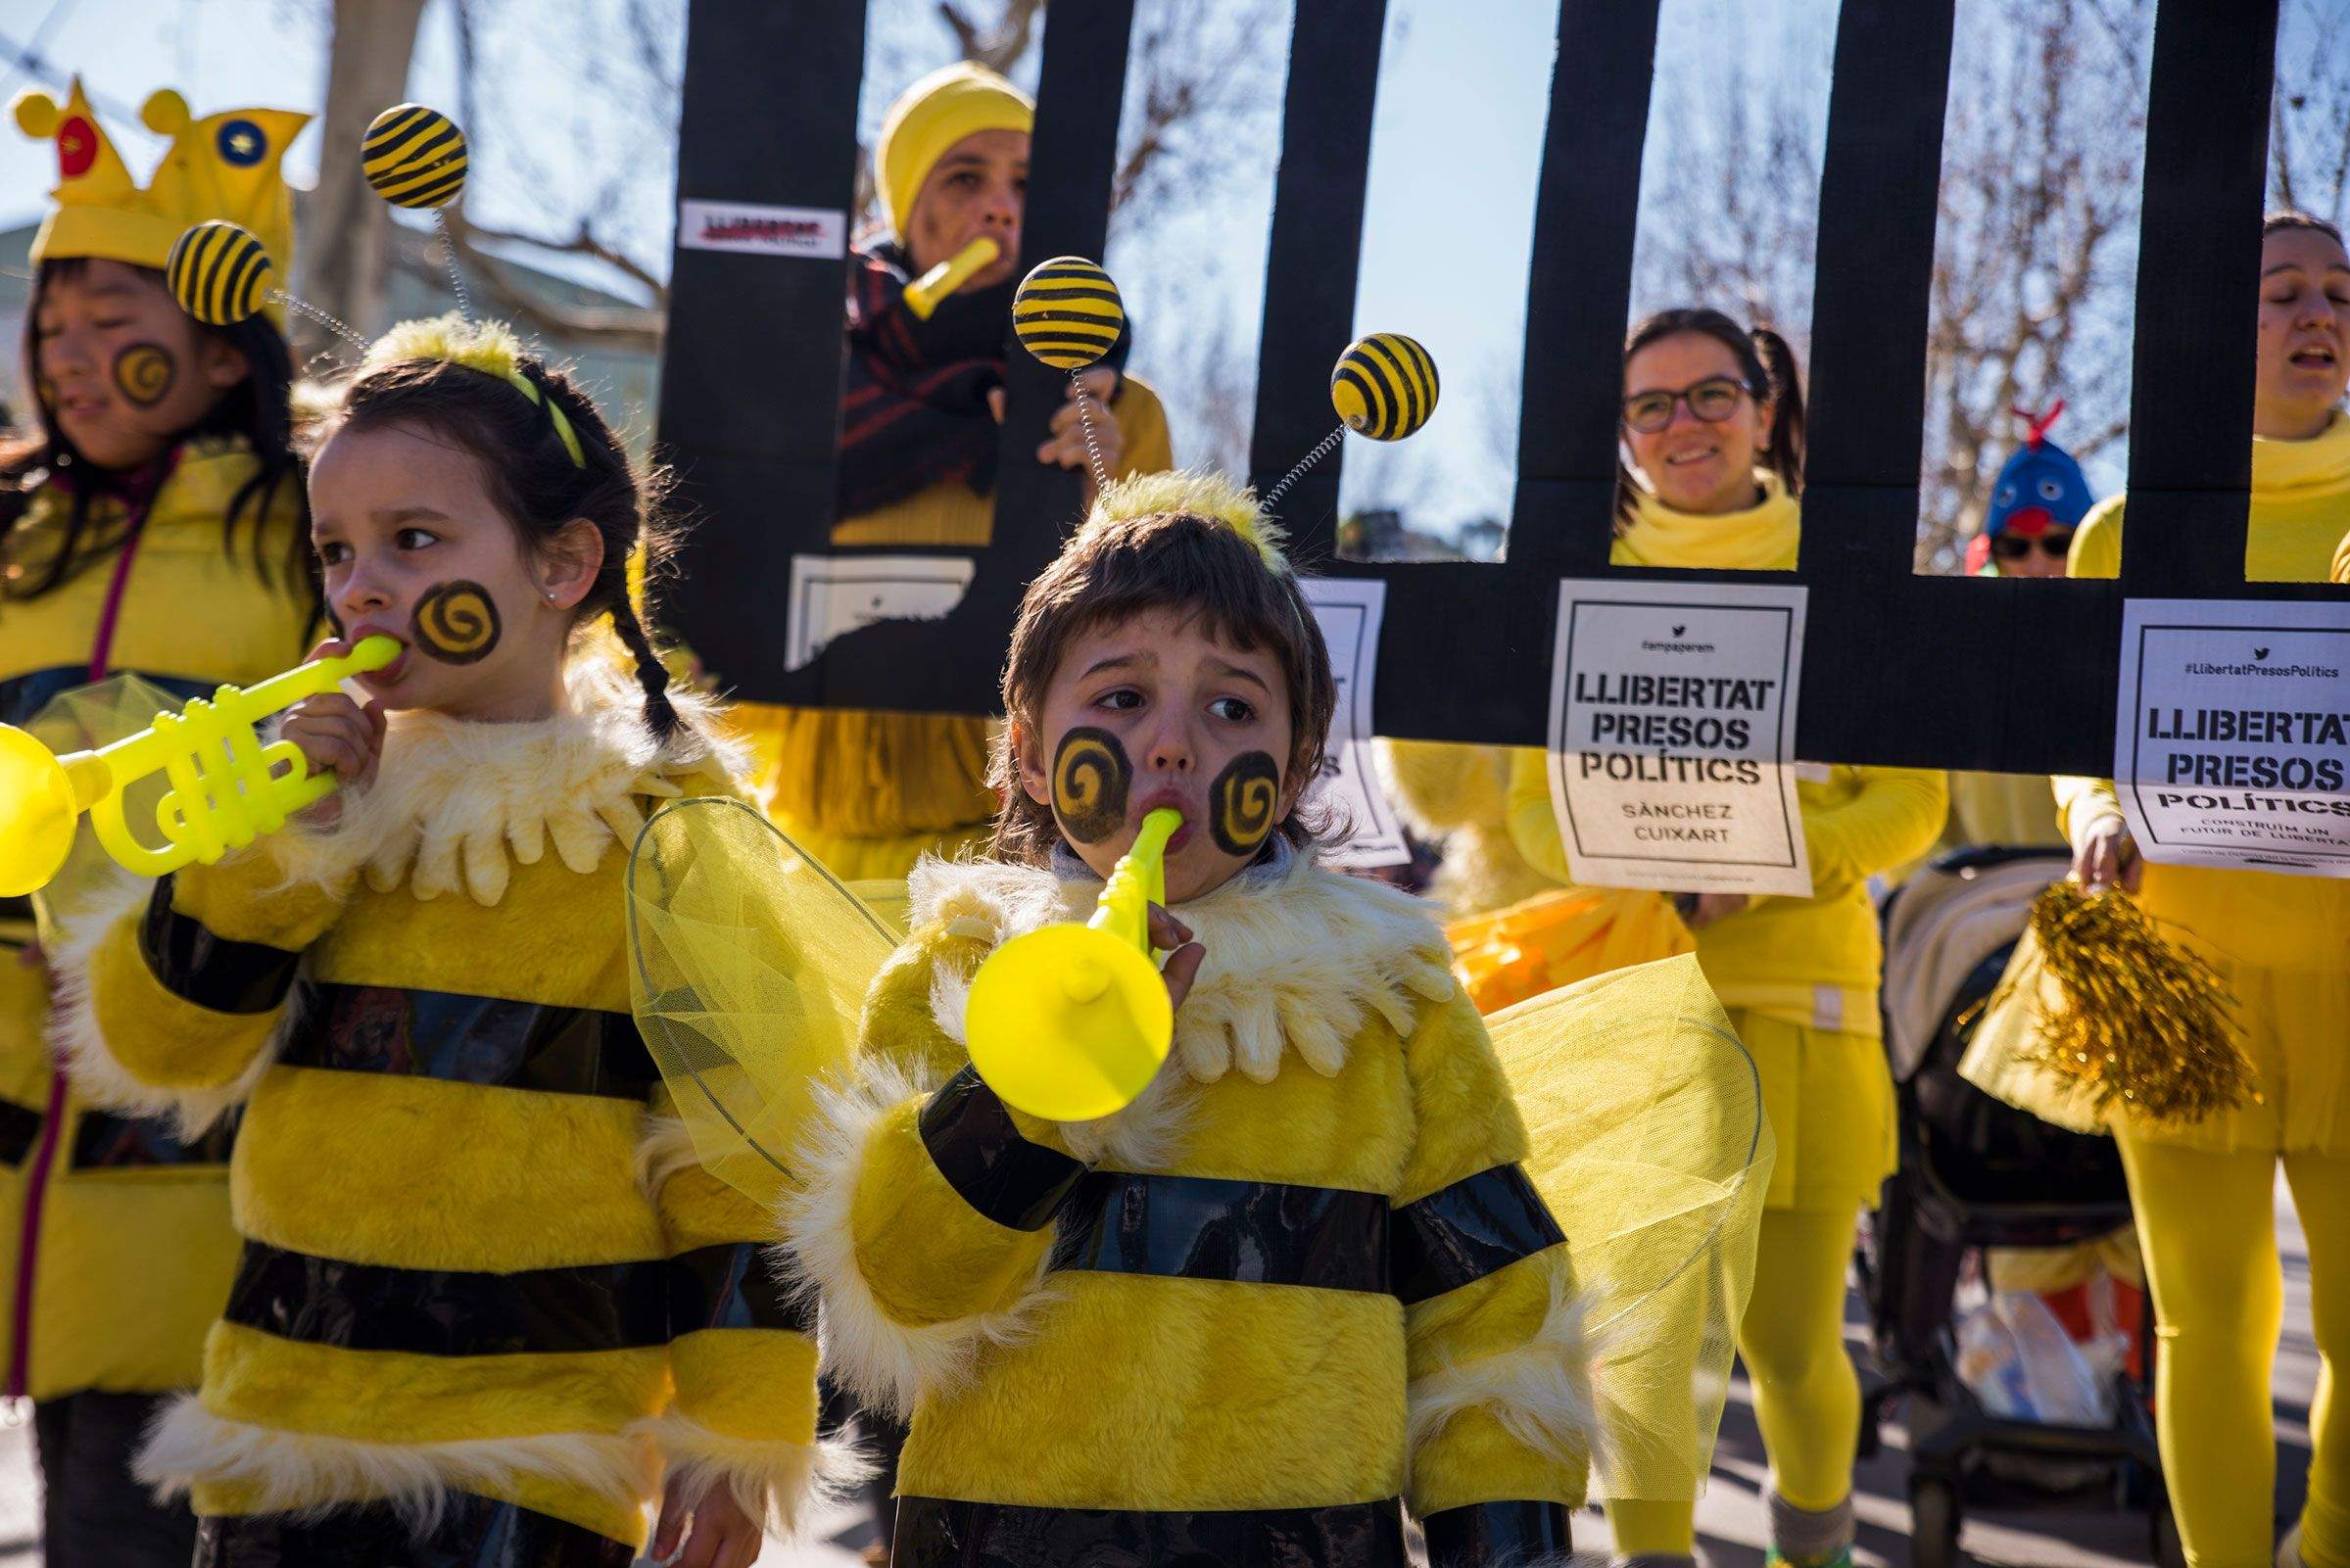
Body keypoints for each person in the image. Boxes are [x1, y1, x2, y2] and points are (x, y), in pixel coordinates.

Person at [50, 315, 831, 1567]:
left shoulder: (668, 830)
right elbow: (159, 1053)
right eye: (337, 549)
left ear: (565, 561)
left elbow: (736, 1164)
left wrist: (737, 1431)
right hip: (275, 1433)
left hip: (532, 1464)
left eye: (414, 541)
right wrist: (275, 847)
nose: (360, 585)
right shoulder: (299, 795)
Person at [779, 469, 1593, 1567]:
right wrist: (1033, 1093)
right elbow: (892, 1293)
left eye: (1230, 707)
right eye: (1119, 697)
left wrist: (1507, 1542)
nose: (1172, 744)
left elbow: (1492, 1315)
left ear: (1297, 758)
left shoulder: (1387, 998)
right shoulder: (957, 967)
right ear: (1027, 748)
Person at [1506, 309, 1945, 1568]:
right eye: (1650, 406)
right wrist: (1650, 857)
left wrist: (1763, 861)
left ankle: (1813, 1550)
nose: (1681, 424)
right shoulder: (1587, 577)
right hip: (1641, 1009)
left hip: (1809, 1008)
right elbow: (1535, 809)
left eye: (1709, 395)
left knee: (1794, 1343)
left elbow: (1912, 801)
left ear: (1764, 407)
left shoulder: (1849, 566)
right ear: (1622, 437)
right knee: (1647, 1342)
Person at [0, 80, 314, 1568]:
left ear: (217, 324)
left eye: (107, 311)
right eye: (48, 324)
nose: (67, 357)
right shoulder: (14, 541)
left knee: (127, 1523)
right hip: (18, 1130)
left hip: (194, 1130)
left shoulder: (317, 530)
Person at [2052, 210, 2350, 1568]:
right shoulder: (2123, 527)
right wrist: (2098, 809)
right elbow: (2069, 729)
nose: (2315, 316)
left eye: (2336, 294)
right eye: (2278, 292)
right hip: (2175, 971)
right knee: (2201, 1323)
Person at [739, 61, 1175, 883]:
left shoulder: (1117, 406)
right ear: (906, 207)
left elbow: (1164, 647)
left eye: (1022, 182)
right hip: (808, 867)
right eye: (964, 177)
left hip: (1031, 874)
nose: (1001, 206)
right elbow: (721, 650)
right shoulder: (801, 393)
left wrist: (1109, 507)